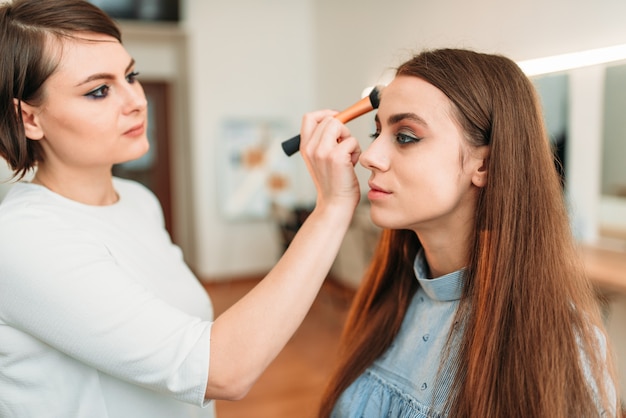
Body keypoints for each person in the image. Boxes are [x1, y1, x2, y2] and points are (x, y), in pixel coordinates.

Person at [0, 1, 361, 417]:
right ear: (27, 118)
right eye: (99, 90)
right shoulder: (25, 240)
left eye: (130, 76)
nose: (135, 100)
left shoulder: (138, 201)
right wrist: (332, 207)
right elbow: (221, 369)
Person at [317, 48, 621, 417]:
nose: (369, 155)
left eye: (406, 136)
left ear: (486, 164)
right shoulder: (385, 302)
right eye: (376, 131)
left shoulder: (565, 347)